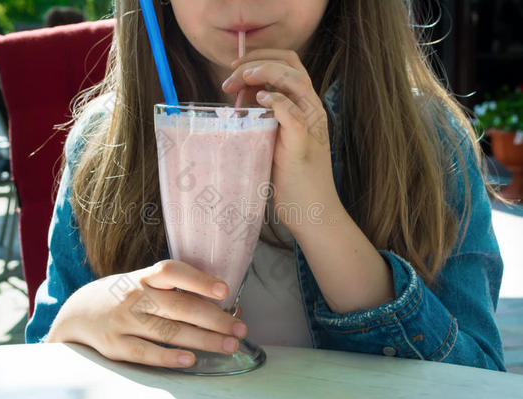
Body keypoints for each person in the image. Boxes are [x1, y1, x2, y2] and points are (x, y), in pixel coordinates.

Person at [26, 0, 511, 371]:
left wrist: (317, 212)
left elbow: (478, 380)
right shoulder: (104, 139)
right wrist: (82, 317)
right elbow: (42, 353)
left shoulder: (427, 139)